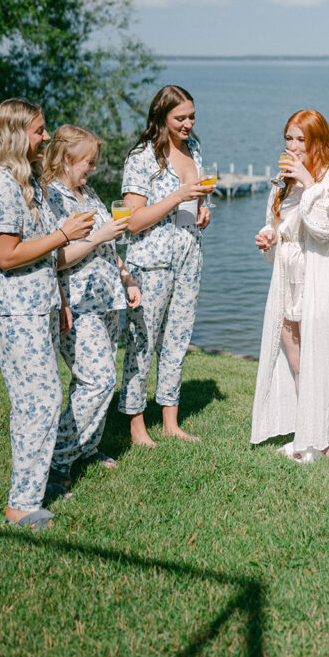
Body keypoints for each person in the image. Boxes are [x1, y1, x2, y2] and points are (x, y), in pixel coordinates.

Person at [0, 99, 93, 530]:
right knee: (38, 403)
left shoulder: (29, 185)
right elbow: (6, 255)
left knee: (43, 400)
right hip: (14, 310)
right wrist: (64, 233)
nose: (46, 137)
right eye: (39, 131)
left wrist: (60, 301)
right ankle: (20, 506)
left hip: (38, 305)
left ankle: (34, 489)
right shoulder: (0, 186)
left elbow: (44, 256)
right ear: (15, 133)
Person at [43, 125, 142, 488]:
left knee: (92, 380)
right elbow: (55, 257)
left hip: (108, 298)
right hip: (77, 302)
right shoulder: (50, 198)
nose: (93, 169)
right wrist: (100, 235)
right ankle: (57, 459)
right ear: (67, 159)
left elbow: (107, 245)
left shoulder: (88, 193)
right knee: (99, 380)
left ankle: (88, 448)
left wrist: (127, 277)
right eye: (89, 162)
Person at [251, 109, 329, 462]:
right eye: (288, 138)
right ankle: (305, 433)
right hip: (287, 277)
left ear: (317, 141)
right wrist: (270, 237)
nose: (292, 146)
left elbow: (327, 229)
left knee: (318, 358)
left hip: (319, 277)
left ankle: (324, 442)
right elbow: (277, 224)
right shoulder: (283, 180)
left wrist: (310, 182)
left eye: (300, 139)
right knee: (296, 361)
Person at [118, 85, 211, 446]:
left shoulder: (195, 148)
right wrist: (177, 197)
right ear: (162, 117)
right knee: (143, 342)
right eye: (180, 118)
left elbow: (188, 209)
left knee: (178, 339)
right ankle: (136, 425)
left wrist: (199, 213)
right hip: (151, 263)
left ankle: (170, 421)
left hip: (189, 256)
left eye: (192, 116)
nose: (188, 123)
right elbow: (132, 221)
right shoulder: (141, 157)